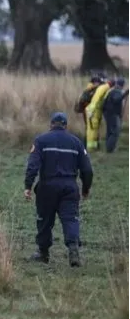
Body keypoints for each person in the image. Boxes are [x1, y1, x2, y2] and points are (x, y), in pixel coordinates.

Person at [24, 112, 93, 267]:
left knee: (44, 220)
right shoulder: (76, 142)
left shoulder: (41, 140)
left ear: (51, 124)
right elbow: (87, 169)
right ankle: (73, 248)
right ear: (66, 126)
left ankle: (43, 253)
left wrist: (28, 186)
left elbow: (32, 165)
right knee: (70, 218)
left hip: (47, 187)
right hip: (69, 187)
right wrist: (86, 188)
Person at [73, 74, 104, 147]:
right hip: (89, 112)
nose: (98, 84)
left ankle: (93, 145)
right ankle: (88, 144)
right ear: (95, 82)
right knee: (90, 128)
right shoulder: (90, 91)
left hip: (90, 112)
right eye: (98, 82)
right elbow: (85, 101)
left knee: (93, 128)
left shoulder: (89, 90)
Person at [85, 75, 113, 152]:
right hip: (93, 112)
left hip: (95, 112)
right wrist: (91, 111)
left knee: (94, 129)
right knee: (92, 130)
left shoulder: (102, 88)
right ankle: (90, 148)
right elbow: (95, 100)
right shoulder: (103, 88)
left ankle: (94, 146)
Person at [102, 77, 127, 153]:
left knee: (110, 131)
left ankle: (109, 147)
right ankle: (110, 149)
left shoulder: (112, 91)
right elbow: (116, 100)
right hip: (113, 114)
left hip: (108, 113)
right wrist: (125, 94)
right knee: (114, 132)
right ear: (122, 85)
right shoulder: (116, 91)